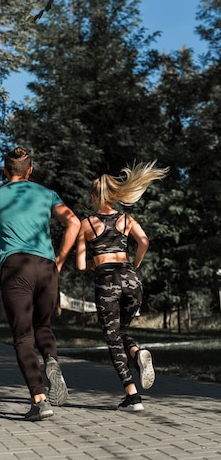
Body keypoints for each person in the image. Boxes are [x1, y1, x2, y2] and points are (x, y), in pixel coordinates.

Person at [0, 147, 81, 421]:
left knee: (23, 336)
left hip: (16, 267)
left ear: (4, 172)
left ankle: (40, 400)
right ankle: (52, 360)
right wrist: (60, 259)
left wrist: (0, 223)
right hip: (46, 267)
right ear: (30, 171)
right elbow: (74, 223)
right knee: (43, 326)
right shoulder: (46, 193)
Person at [76, 161, 169, 412]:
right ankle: (137, 352)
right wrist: (134, 265)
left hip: (107, 282)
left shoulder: (87, 224)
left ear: (95, 196)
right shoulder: (127, 220)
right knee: (121, 331)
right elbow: (144, 241)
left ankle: (132, 395)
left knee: (112, 338)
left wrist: (94, 264)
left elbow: (81, 265)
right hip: (131, 280)